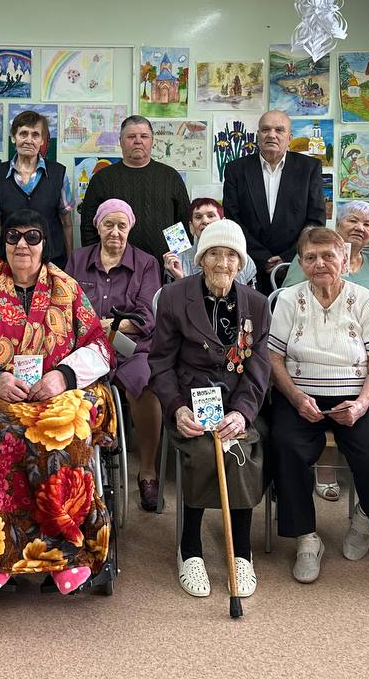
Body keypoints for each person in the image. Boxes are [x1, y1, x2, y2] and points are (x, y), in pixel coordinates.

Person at [0, 210, 114, 597]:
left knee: (66, 429)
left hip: (58, 391)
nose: (23, 245)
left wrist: (63, 376)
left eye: (33, 237)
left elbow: (100, 348)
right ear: (3, 245)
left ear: (45, 244)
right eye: (13, 237)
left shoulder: (67, 289)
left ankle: (67, 556)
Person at [149, 220, 271, 597]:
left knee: (240, 452)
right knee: (204, 452)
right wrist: (176, 408)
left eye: (231, 255)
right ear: (201, 259)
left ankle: (242, 552)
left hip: (235, 404)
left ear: (241, 263)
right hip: (189, 402)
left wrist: (242, 413)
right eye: (214, 254)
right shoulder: (175, 297)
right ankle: (190, 548)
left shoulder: (256, 304)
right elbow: (160, 363)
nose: (222, 262)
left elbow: (258, 369)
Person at [266, 227, 369, 584]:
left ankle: (365, 518)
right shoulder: (288, 299)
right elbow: (274, 359)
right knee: (285, 445)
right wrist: (295, 397)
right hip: (300, 394)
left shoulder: (366, 300)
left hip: (355, 396)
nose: (319, 263)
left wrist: (361, 405)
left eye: (328, 256)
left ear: (344, 260)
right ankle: (306, 537)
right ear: (301, 263)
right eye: (310, 257)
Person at [68, 199, 164, 511]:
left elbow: (146, 315)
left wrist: (106, 325)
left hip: (129, 346)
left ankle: (147, 472)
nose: (115, 232)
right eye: (108, 224)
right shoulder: (77, 260)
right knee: (66, 387)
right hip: (85, 345)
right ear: (97, 226)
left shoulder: (145, 263)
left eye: (122, 225)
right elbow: (65, 306)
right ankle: (76, 470)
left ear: (130, 228)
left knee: (146, 383)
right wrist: (96, 327)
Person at [222, 110, 326, 293]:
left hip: (296, 266)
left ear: (289, 137)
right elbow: (233, 219)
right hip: (249, 266)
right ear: (258, 135)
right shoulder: (236, 169)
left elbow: (315, 220)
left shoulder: (309, 168)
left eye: (279, 130)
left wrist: (289, 256)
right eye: (266, 129)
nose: (272, 135)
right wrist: (262, 257)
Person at [80, 115, 190, 264]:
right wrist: (98, 263)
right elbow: (88, 227)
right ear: (120, 141)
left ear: (152, 141)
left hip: (163, 267)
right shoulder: (101, 179)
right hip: (113, 268)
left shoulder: (170, 177)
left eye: (144, 136)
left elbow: (183, 223)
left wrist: (178, 263)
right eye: (131, 136)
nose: (138, 141)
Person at [0, 110, 74, 268]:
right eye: (23, 134)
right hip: (14, 264)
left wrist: (70, 264)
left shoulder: (58, 174)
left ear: (42, 140)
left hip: (52, 263)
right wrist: (3, 256)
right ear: (14, 138)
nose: (29, 140)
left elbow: (66, 223)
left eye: (35, 135)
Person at [281, 200, 369, 293]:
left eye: (367, 224)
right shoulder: (311, 255)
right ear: (337, 225)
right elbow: (289, 295)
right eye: (353, 220)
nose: (360, 228)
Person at [161, 197, 256, 287]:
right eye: (198, 217)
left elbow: (252, 296)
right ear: (191, 227)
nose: (205, 221)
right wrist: (179, 280)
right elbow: (169, 298)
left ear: (223, 222)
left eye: (211, 216)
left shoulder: (244, 259)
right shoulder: (177, 261)